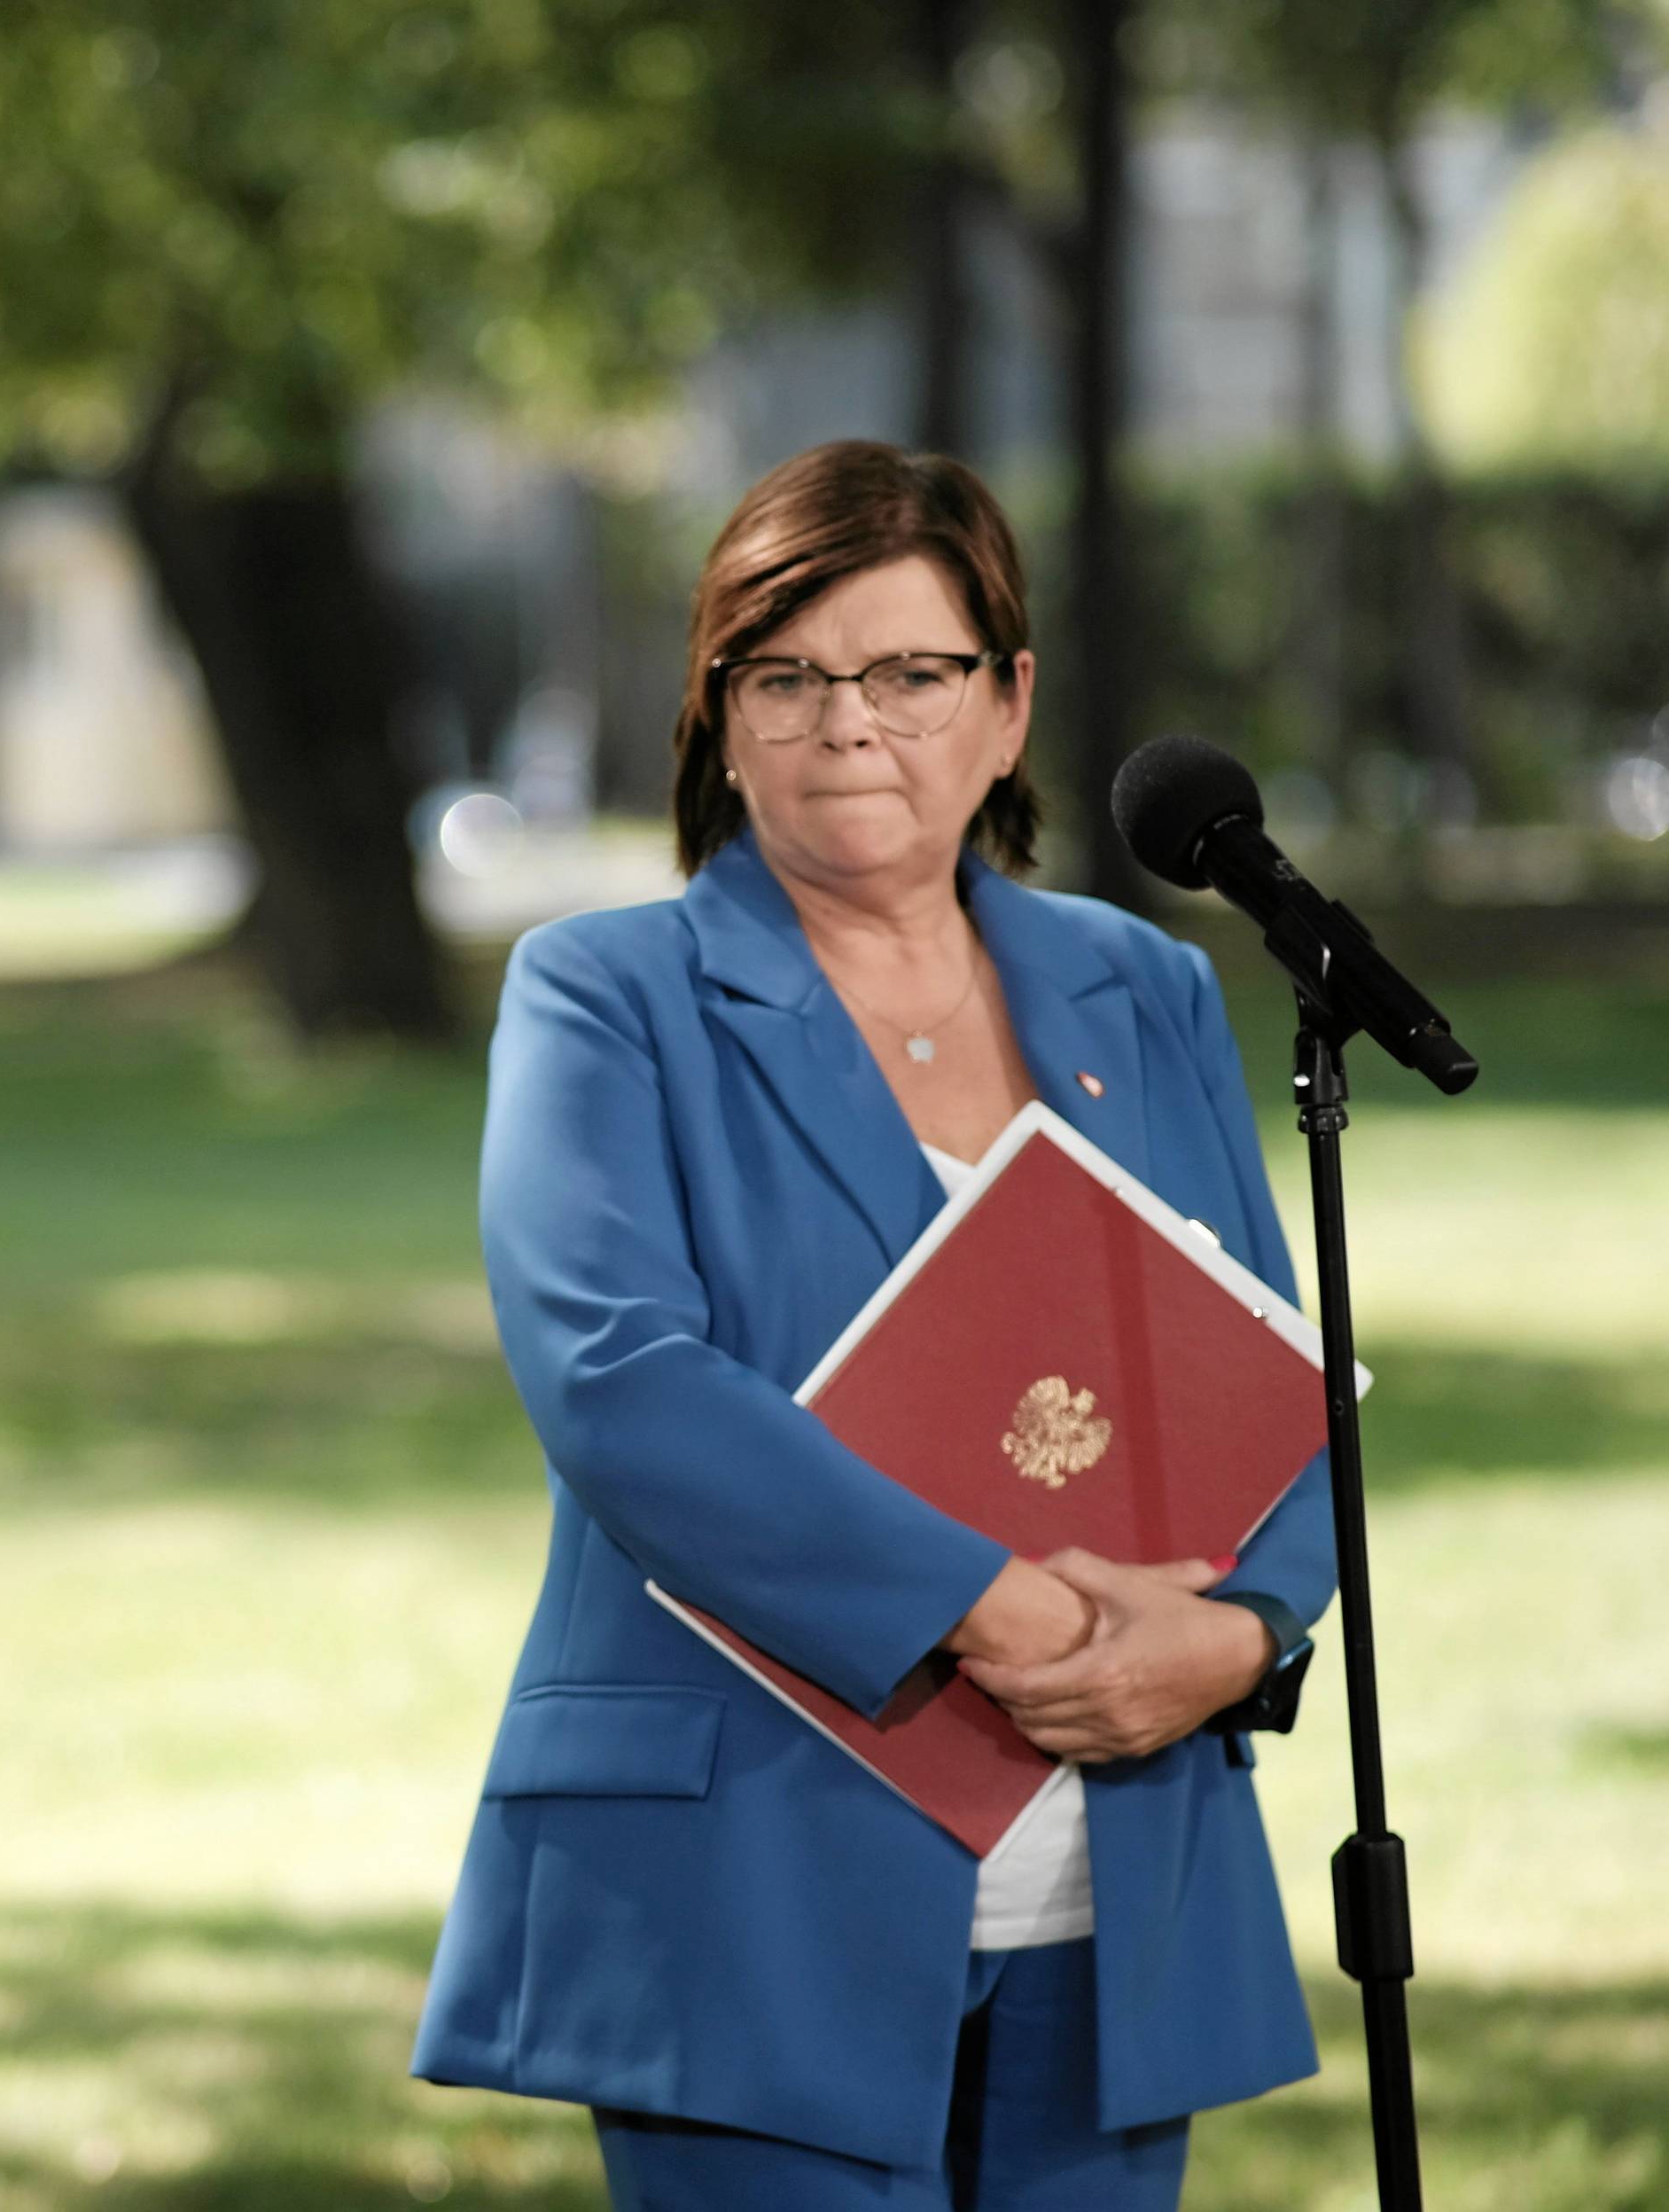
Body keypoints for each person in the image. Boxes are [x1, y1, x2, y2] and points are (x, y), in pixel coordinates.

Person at [411, 442, 1332, 2209]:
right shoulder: (604, 994)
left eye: (912, 673)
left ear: (1008, 707)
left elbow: (1266, 1374)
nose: (852, 725)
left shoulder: (1142, 990)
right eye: (790, 678)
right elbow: (620, 1382)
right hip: (748, 1885)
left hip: (1121, 1879)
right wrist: (1002, 1606)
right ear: (721, 715)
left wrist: (1239, 1641)